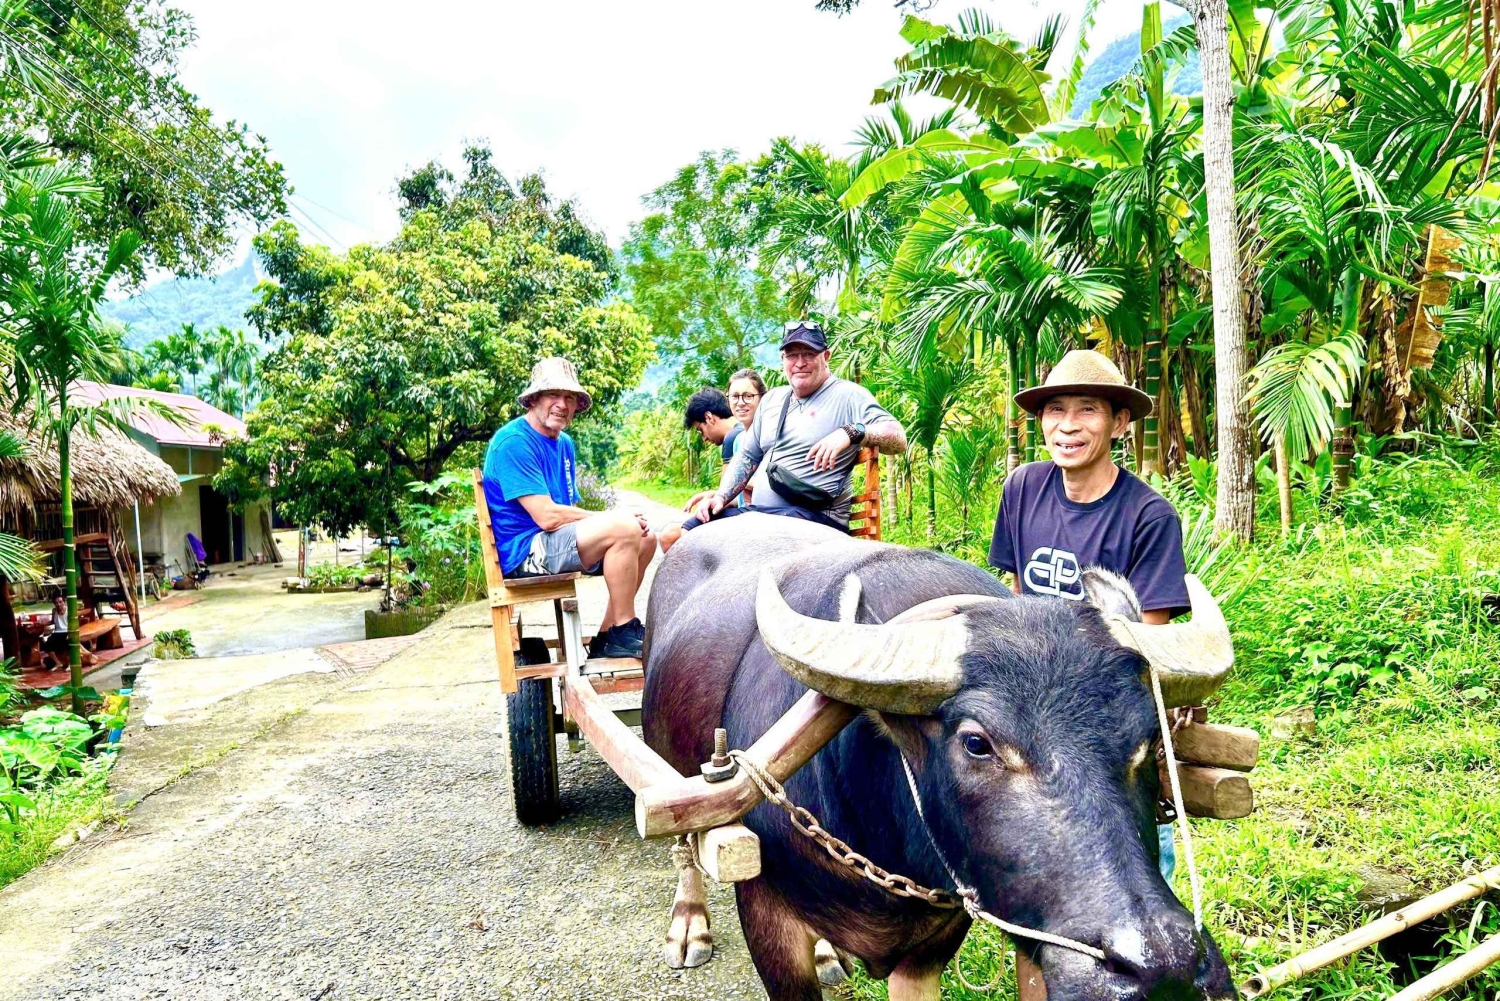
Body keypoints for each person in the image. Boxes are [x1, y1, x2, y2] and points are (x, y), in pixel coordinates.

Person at [988, 348, 1189, 879]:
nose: (1067, 426)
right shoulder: (1023, 488)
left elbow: (1144, 647)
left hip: (1103, 711)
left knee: (1130, 868)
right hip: (1030, 700)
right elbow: (1015, 604)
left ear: (1120, 422)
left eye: (1087, 410)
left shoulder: (1148, 516)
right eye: (1055, 410)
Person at [661, 320, 907, 550]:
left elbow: (897, 437)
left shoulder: (848, 395)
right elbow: (747, 456)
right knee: (679, 535)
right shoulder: (772, 400)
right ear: (783, 359)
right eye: (792, 355)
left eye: (809, 354)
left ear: (826, 356)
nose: (800, 362)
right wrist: (721, 497)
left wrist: (852, 432)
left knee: (730, 540)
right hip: (764, 515)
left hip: (815, 519)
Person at [482, 357, 657, 659]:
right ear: (534, 399)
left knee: (646, 538)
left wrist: (616, 523)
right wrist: (614, 519)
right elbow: (548, 516)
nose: (562, 404)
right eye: (553, 395)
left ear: (577, 406)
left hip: (552, 541)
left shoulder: (564, 443)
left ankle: (609, 635)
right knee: (624, 527)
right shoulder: (513, 442)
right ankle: (624, 628)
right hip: (524, 551)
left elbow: (566, 510)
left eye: (570, 398)